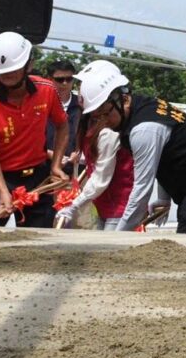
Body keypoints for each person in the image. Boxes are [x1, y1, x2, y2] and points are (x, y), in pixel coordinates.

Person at [78, 68, 186, 234]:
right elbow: (165, 157)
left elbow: (141, 192)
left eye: (105, 114)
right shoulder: (142, 106)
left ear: (123, 100)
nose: (103, 122)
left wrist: (118, 236)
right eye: (97, 118)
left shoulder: (143, 129)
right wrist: (163, 198)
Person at [0, 32, 69, 227]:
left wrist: (56, 165)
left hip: (37, 177)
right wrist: (3, 191)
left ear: (28, 64)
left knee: (40, 238)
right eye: (3, 72)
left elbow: (62, 126)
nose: (8, 75)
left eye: (14, 70)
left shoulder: (47, 90)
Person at [55, 60, 135, 231]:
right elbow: (93, 159)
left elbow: (101, 178)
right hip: (104, 205)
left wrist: (73, 205)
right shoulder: (91, 121)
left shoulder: (109, 130)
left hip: (118, 208)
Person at [44, 59, 83, 169]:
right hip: (43, 167)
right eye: (60, 80)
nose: (65, 83)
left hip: (73, 168)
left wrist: (79, 152)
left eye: (69, 79)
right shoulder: (41, 105)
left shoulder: (81, 106)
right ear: (49, 79)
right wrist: (47, 153)